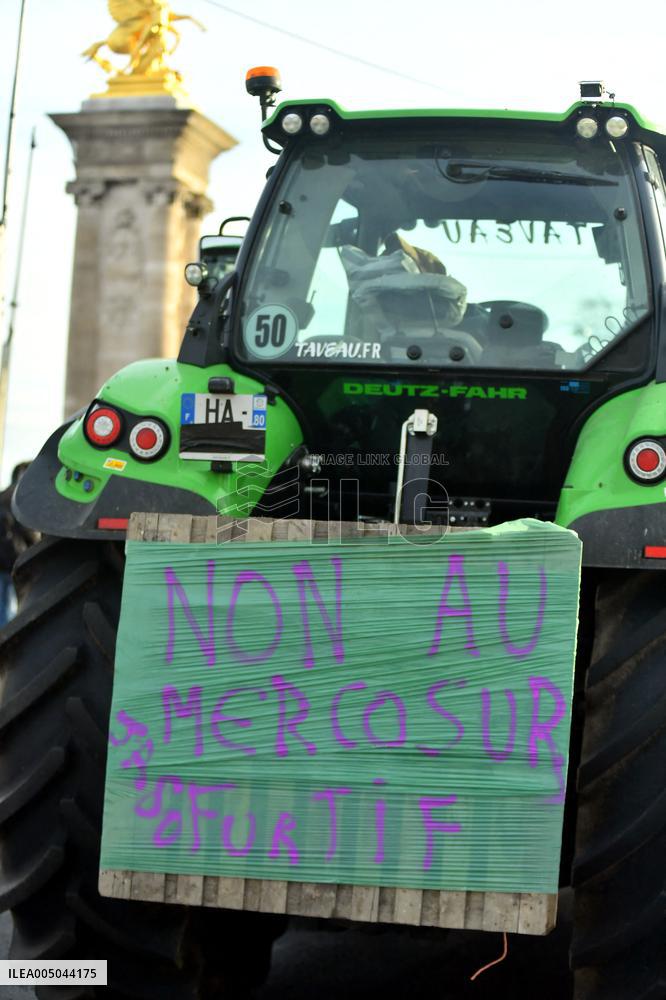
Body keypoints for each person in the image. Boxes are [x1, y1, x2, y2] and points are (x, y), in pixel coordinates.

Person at [0, 463, 35, 627]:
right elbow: (28, 533)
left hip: (9, 564)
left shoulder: (5, 497)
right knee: (7, 613)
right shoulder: (20, 501)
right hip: (11, 565)